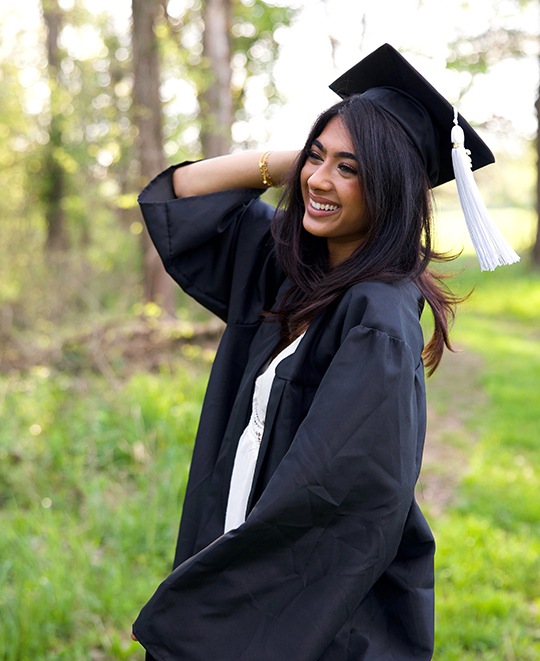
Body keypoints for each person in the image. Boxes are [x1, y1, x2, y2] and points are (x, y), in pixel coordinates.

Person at [130, 44, 513, 661]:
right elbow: (180, 195)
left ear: (390, 188)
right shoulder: (288, 269)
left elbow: (334, 500)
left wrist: (212, 614)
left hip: (311, 612)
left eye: (352, 169)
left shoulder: (378, 319)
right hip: (240, 554)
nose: (319, 180)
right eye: (317, 157)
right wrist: (297, 162)